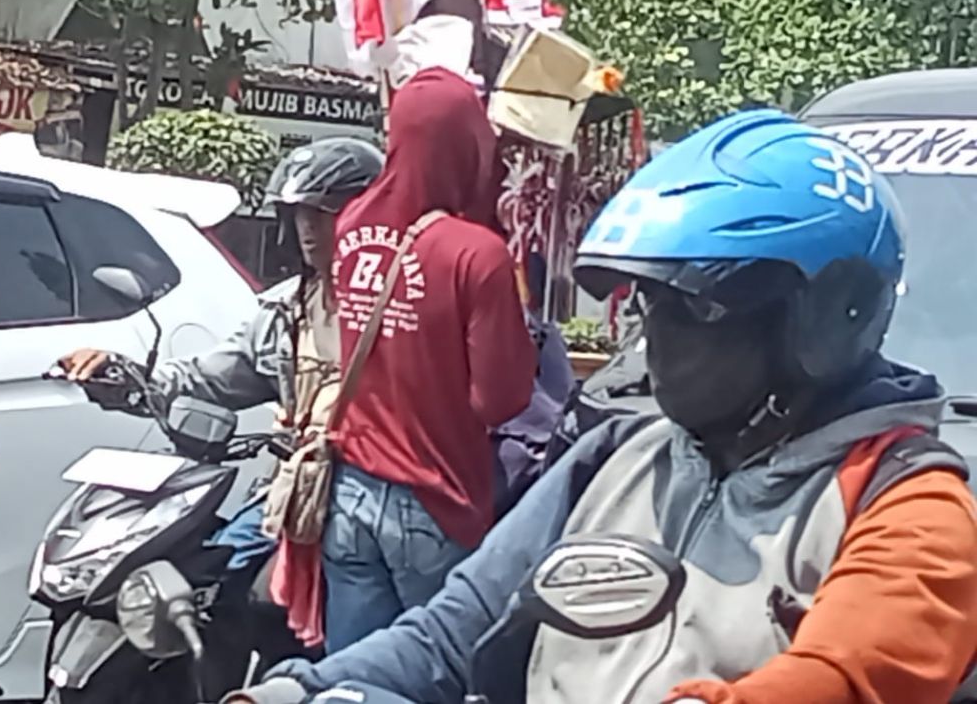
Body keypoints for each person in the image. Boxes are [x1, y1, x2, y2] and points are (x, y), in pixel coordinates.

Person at [228, 109, 977, 704]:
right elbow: (451, 636)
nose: (657, 340)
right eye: (649, 304)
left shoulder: (907, 500)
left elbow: (849, 674)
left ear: (826, 313)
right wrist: (299, 688)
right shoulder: (612, 461)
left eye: (696, 308)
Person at [60, 136, 386, 576]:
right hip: (295, 492)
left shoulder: (400, 310)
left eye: (325, 213)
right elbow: (212, 378)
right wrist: (123, 375)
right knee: (212, 575)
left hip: (371, 500)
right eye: (301, 214)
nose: (309, 228)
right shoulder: (284, 311)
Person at [315, 67, 536, 652]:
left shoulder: (350, 224)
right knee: (437, 675)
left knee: (358, 679)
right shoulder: (478, 254)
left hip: (350, 492)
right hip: (437, 500)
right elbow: (501, 399)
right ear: (468, 144)